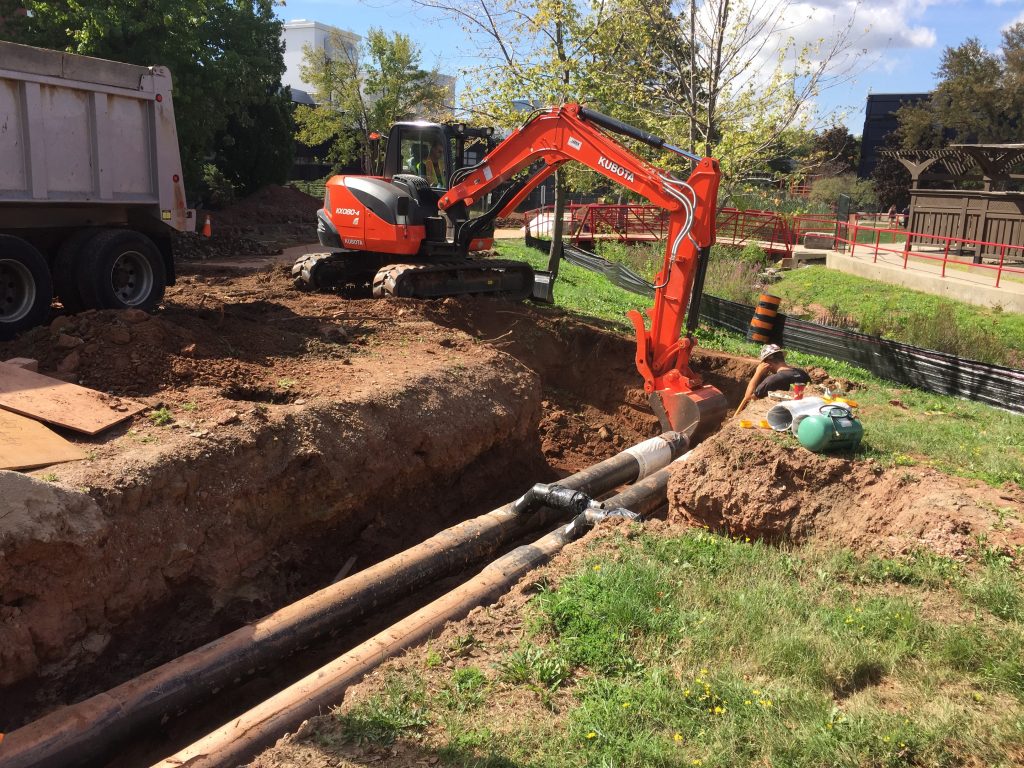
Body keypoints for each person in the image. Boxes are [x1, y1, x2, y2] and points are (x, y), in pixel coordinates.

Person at [735, 344, 811, 415]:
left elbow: (748, 397)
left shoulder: (773, 380)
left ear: (767, 363)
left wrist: (757, 373)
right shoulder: (802, 373)